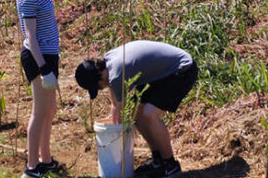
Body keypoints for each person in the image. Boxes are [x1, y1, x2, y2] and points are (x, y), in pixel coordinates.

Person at [75, 40, 198, 178]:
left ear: (98, 78)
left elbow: (121, 114)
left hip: (182, 68)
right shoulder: (109, 62)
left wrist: (117, 148)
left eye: (97, 87)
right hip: (160, 73)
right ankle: (158, 160)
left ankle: (171, 165)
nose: (100, 89)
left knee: (150, 114)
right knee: (137, 114)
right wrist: (116, 128)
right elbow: (115, 104)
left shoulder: (115, 75)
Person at [16, 0, 62, 178]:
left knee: (49, 109)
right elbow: (31, 37)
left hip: (48, 57)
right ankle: (32, 167)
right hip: (38, 59)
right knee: (39, 111)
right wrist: (44, 69)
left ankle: (46, 159)